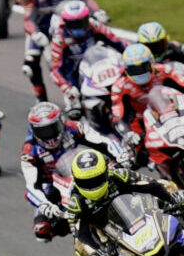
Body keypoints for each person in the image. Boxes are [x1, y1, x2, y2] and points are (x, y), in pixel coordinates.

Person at [19, 102, 132, 240]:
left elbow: (102, 141)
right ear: (33, 130)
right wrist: (44, 204)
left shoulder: (73, 127)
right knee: (42, 231)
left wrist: (121, 154)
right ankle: (76, 230)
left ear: (61, 121)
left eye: (52, 128)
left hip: (83, 168)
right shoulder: (29, 152)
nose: (49, 136)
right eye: (43, 131)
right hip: (53, 185)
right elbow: (31, 185)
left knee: (124, 176)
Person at [109, 44, 184, 172]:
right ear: (126, 70)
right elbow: (118, 116)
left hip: (172, 108)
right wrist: (127, 133)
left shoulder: (164, 70)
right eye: (134, 70)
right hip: (142, 120)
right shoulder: (119, 87)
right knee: (131, 156)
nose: (140, 73)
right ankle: (164, 174)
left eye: (143, 67)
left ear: (152, 63)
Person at [19, 0, 99, 99]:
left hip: (64, 29)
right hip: (41, 31)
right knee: (30, 66)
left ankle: (80, 90)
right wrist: (36, 34)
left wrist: (97, 11)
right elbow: (28, 19)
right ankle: (41, 97)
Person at [43, 0, 125, 104]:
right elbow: (55, 70)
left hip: (97, 66)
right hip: (74, 74)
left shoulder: (94, 25)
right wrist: (66, 87)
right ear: (65, 23)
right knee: (74, 109)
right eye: (74, 24)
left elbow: (117, 41)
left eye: (81, 22)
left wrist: (130, 57)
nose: (79, 27)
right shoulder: (59, 38)